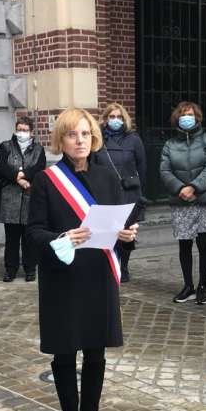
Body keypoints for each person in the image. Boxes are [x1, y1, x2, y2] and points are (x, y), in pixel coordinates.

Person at [26, 108, 138, 411]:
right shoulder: (46, 180)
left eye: (86, 134)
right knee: (65, 351)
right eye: (73, 135)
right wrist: (62, 237)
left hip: (98, 274)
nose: (80, 141)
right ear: (61, 139)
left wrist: (126, 234)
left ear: (94, 138)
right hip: (63, 277)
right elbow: (32, 233)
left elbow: (121, 224)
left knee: (95, 351)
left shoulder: (107, 178)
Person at [159, 101, 206, 305]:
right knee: (184, 245)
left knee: (204, 245)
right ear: (177, 118)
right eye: (183, 114)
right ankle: (188, 286)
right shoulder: (170, 144)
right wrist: (180, 189)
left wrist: (194, 187)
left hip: (203, 199)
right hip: (181, 200)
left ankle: (202, 286)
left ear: (197, 118)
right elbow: (164, 171)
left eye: (191, 114)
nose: (187, 117)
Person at [91, 102, 146, 282]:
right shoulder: (98, 139)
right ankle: (108, 263)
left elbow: (142, 166)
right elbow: (91, 165)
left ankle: (124, 266)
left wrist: (135, 184)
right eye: (112, 117)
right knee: (106, 231)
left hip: (128, 192)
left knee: (126, 231)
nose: (116, 120)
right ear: (105, 119)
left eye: (119, 117)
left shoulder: (134, 139)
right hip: (105, 192)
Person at [0, 117, 46, 282]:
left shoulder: (38, 149)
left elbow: (39, 168)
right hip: (10, 199)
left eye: (25, 130)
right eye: (19, 129)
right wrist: (19, 178)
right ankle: (11, 269)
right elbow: (1, 167)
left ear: (31, 132)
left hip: (30, 199)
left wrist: (23, 175)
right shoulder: (6, 146)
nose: (21, 133)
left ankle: (30, 268)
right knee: (12, 238)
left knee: (29, 236)